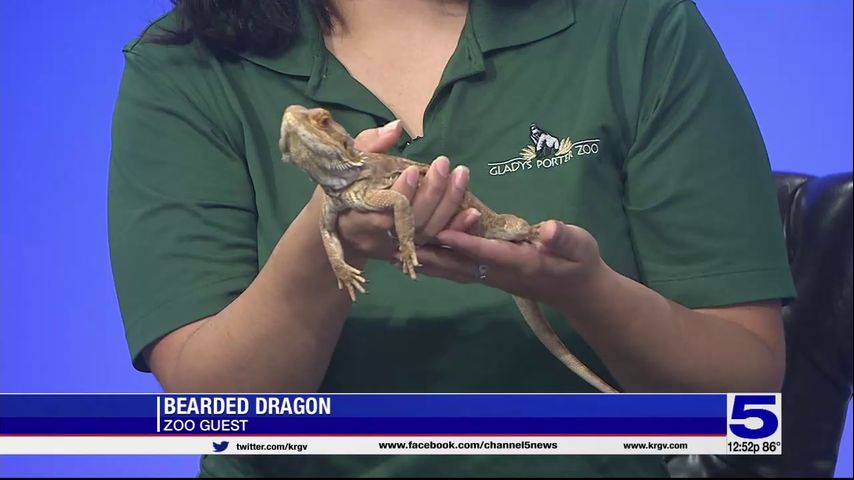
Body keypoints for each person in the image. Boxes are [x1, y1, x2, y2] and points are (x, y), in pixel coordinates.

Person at [108, 0, 796, 476]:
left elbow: (743, 395)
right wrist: (329, 248)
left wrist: (586, 290)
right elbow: (213, 407)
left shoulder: (637, 27)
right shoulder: (182, 66)